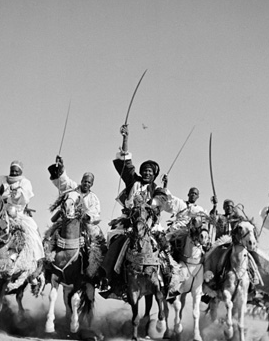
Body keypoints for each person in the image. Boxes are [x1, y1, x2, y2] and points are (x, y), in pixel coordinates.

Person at [100, 124, 180, 299]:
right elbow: (126, 164)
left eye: (150, 171)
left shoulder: (157, 189)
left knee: (166, 250)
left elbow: (165, 205)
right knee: (115, 240)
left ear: (154, 175)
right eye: (144, 170)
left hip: (150, 226)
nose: (146, 173)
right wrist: (125, 138)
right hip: (129, 223)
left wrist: (165, 188)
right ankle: (110, 279)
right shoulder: (133, 182)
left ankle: (169, 285)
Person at [47, 156, 102, 236]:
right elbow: (64, 181)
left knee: (97, 236)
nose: (86, 184)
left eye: (89, 182)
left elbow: (95, 214)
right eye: (85, 181)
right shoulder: (73, 188)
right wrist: (60, 168)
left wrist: (83, 215)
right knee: (51, 234)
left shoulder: (93, 198)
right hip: (66, 219)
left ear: (92, 184)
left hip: (84, 224)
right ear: (81, 181)